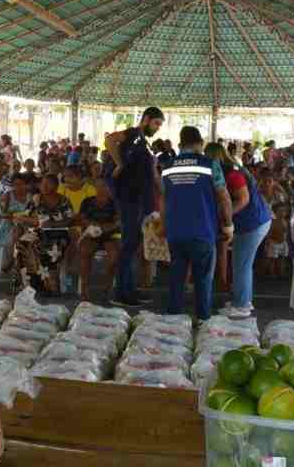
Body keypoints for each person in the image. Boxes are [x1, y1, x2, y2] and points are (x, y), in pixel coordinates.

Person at [161, 127, 233, 321]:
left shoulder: (167, 166)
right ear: (200, 143)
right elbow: (224, 197)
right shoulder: (210, 164)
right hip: (202, 232)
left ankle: (173, 323)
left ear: (180, 144)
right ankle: (202, 322)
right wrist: (228, 225)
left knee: (176, 280)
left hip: (175, 232)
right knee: (203, 281)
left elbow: (163, 199)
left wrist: (162, 226)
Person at [104, 106, 164, 307]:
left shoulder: (144, 143)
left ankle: (129, 289)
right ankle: (122, 293)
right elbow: (110, 139)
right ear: (146, 119)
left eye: (159, 125)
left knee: (133, 246)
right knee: (129, 245)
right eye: (156, 123)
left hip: (141, 200)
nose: (157, 128)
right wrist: (119, 163)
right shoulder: (134, 134)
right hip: (130, 199)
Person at [205, 143, 272, 319]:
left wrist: (222, 216)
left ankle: (241, 305)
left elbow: (243, 200)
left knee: (241, 264)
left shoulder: (233, 175)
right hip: (253, 222)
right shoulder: (233, 171)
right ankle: (242, 300)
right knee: (241, 263)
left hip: (253, 223)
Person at [13, 174, 74, 295]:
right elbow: (25, 216)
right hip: (38, 231)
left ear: (56, 186)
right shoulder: (36, 199)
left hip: (59, 233)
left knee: (50, 250)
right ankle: (28, 285)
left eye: (48, 183)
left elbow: (70, 219)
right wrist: (37, 222)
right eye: (42, 183)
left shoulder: (64, 200)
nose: (44, 186)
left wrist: (52, 224)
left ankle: (49, 286)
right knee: (22, 245)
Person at [77, 179, 120, 301]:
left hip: (110, 235)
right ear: (95, 187)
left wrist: (103, 228)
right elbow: (82, 218)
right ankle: (84, 287)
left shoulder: (115, 203)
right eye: (99, 186)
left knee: (113, 257)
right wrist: (93, 225)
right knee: (84, 251)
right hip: (91, 234)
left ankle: (107, 286)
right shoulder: (87, 201)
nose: (102, 188)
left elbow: (118, 222)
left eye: (105, 186)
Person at [0, 173, 31, 273]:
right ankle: (13, 260)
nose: (18, 187)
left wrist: (24, 219)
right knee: (16, 233)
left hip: (27, 225)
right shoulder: (7, 196)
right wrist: (14, 216)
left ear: (26, 184)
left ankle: (13, 261)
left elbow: (34, 214)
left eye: (21, 184)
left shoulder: (31, 197)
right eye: (15, 184)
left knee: (21, 232)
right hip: (8, 226)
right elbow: (2, 214)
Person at [262, 202, 290, 277]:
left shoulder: (285, 221)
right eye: (280, 211)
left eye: (283, 211)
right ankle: (272, 273)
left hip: (283, 243)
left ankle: (281, 271)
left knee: (282, 258)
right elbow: (269, 233)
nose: (282, 213)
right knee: (272, 260)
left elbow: (286, 232)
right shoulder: (273, 222)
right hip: (274, 243)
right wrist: (267, 242)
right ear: (275, 212)